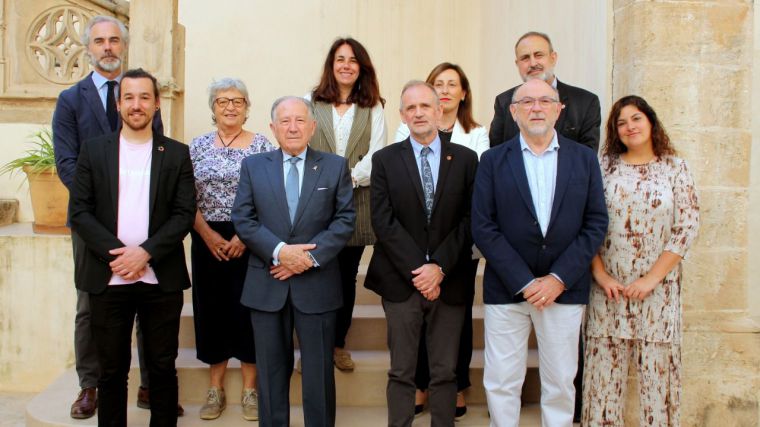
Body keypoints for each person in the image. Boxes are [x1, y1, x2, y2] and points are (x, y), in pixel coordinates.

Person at [51, 15, 172, 419]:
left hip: (143, 227)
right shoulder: (71, 99)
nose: (107, 47)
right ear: (89, 47)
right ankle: (90, 385)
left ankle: (149, 384)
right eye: (100, 40)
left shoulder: (141, 95)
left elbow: (153, 153)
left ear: (124, 46)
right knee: (92, 305)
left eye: (114, 40)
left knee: (145, 302)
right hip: (93, 223)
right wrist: (101, 213)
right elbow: (67, 163)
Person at [472, 79, 607, 427]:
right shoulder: (492, 160)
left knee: (561, 381)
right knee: (502, 380)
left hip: (564, 289)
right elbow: (484, 226)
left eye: (545, 101)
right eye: (527, 101)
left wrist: (558, 279)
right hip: (507, 288)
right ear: (513, 112)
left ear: (559, 110)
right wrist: (524, 280)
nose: (536, 107)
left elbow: (595, 223)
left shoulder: (585, 160)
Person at [68, 68, 195, 427]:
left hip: (160, 279)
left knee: (161, 368)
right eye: (129, 97)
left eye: (144, 97)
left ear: (156, 104)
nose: (136, 105)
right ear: (117, 102)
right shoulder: (93, 151)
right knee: (111, 372)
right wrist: (121, 256)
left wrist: (146, 253)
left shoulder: (175, 154)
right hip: (108, 279)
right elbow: (79, 211)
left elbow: (184, 213)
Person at [231, 96, 355, 427]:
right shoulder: (253, 166)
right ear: (273, 128)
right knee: (270, 374)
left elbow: (344, 221)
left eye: (300, 120)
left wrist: (308, 258)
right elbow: (243, 219)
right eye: (285, 121)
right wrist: (281, 252)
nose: (293, 127)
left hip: (318, 286)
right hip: (267, 282)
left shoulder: (334, 166)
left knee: (317, 373)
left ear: (313, 126)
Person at [582, 96, 699, 426]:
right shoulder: (603, 166)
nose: (629, 127)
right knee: (603, 385)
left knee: (658, 384)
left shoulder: (675, 167)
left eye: (636, 119)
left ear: (650, 121)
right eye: (621, 122)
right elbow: (585, 221)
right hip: (608, 291)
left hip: (658, 294)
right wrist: (601, 274)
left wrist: (651, 279)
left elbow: (687, 226)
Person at [366, 81, 478, 427]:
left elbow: (471, 219)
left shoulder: (465, 159)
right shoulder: (384, 160)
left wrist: (439, 267)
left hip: (450, 280)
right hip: (401, 280)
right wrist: (420, 268)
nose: (418, 113)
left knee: (445, 370)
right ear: (402, 115)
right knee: (402, 369)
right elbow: (382, 221)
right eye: (411, 108)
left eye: (425, 106)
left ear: (439, 110)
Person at [395, 62, 486, 419]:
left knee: (454, 327)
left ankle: (455, 386)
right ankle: (420, 383)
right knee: (415, 321)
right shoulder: (400, 145)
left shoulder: (474, 137)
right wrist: (421, 265)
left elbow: (471, 208)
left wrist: (441, 264)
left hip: (455, 252)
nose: (445, 90)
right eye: (439, 83)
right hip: (411, 257)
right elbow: (389, 211)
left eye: (452, 85)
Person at [189, 78, 275, 421]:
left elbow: (270, 195)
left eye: (237, 101)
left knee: (248, 311)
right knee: (212, 311)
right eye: (223, 100)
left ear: (247, 106)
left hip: (250, 237)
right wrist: (207, 234)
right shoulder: (196, 146)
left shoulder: (262, 145)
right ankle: (216, 389)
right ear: (212, 107)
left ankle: (251, 390)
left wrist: (245, 235)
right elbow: (185, 196)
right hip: (206, 237)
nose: (230, 106)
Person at [307, 37, 387, 372]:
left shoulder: (373, 106)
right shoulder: (311, 102)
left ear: (362, 67)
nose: (346, 65)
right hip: (314, 202)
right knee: (313, 274)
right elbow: (302, 145)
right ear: (331, 64)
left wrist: (348, 178)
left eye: (353, 60)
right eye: (340, 59)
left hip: (357, 201)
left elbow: (377, 152)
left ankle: (338, 344)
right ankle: (313, 348)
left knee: (345, 276)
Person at [488, 31, 600, 154]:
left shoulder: (585, 102)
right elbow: (496, 156)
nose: (533, 63)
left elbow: (587, 160)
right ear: (517, 64)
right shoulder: (504, 102)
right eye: (525, 58)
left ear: (553, 58)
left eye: (538, 55)